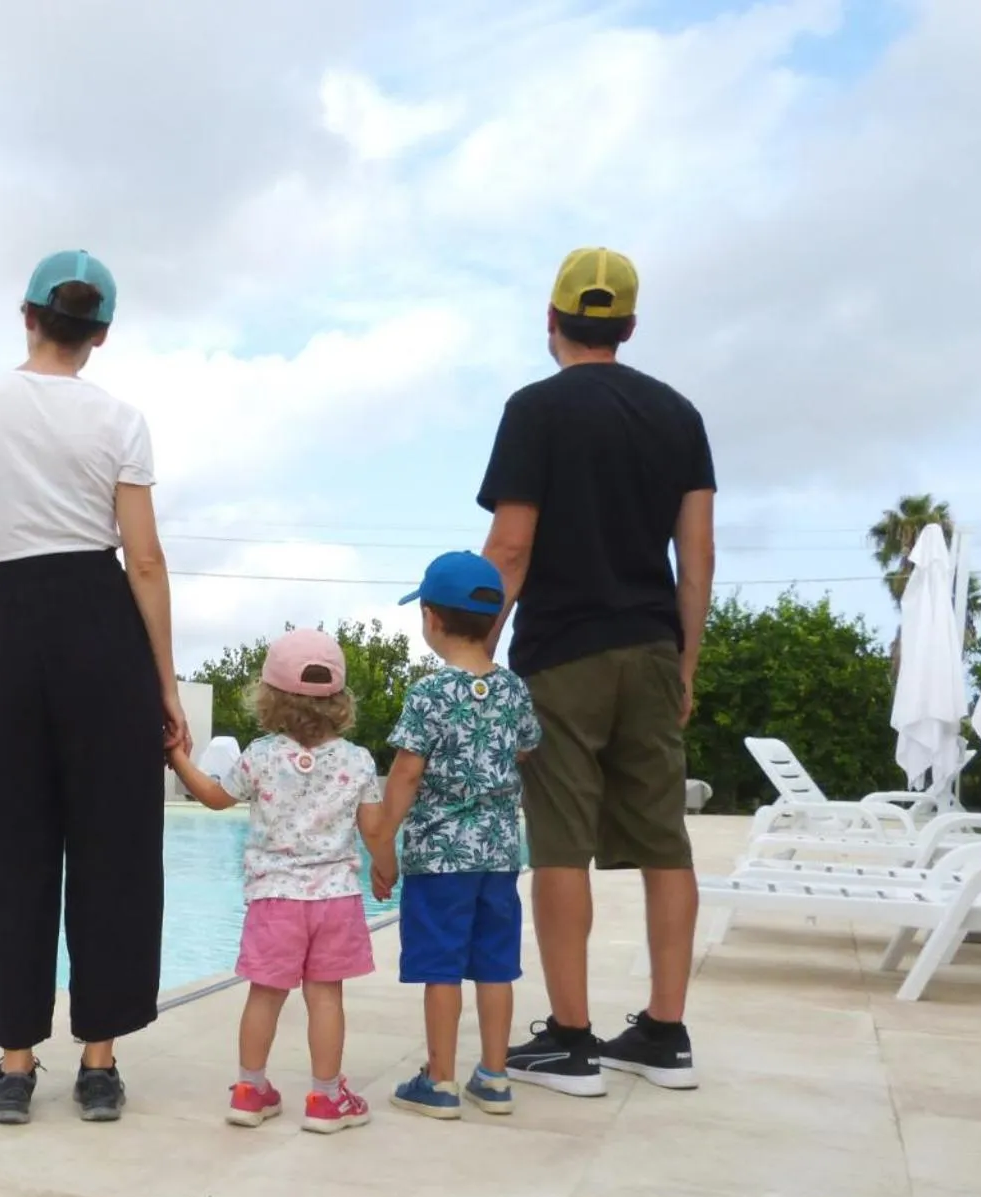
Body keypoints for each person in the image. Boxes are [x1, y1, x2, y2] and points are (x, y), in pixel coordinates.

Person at [0, 249, 189, 1125]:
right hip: (100, 621)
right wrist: (165, 683)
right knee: (115, 842)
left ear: (27, 315)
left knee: (6, 846)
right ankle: (100, 1063)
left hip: (5, 620)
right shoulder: (121, 420)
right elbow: (145, 559)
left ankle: (13, 1065)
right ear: (103, 334)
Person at [476, 246, 717, 1097]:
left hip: (563, 654)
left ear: (552, 321)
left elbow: (509, 547)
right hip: (652, 645)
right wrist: (684, 660)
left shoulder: (536, 409)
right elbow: (698, 556)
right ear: (630, 327)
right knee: (665, 843)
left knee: (560, 847)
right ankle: (665, 1032)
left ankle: (572, 1042)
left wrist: (479, 656)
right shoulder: (679, 415)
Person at [167, 629, 379, 1135]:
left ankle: (249, 1090)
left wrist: (176, 758)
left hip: (273, 899)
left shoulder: (260, 756)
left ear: (268, 697)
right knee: (326, 996)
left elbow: (216, 799)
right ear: (341, 700)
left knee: (264, 994)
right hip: (336, 899)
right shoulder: (358, 760)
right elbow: (373, 830)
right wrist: (389, 865)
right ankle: (327, 1099)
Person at [368, 553, 542, 1120]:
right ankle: (494, 1077)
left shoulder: (430, 694)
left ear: (430, 617)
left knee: (441, 966)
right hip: (497, 853)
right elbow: (524, 749)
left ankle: (438, 1080)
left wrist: (383, 841)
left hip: (439, 858)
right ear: (493, 621)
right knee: (496, 963)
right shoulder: (513, 690)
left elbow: (407, 772)